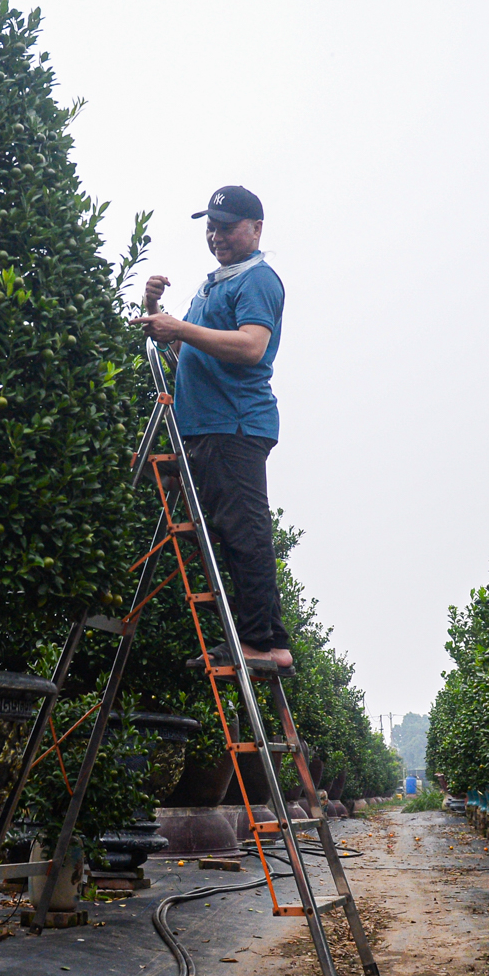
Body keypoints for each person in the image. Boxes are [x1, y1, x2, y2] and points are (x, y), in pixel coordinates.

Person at [131, 185, 292, 670]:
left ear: (256, 229)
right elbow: (189, 354)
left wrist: (178, 327)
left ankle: (261, 642)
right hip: (205, 425)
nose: (216, 235)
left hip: (234, 424)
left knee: (245, 533)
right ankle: (267, 640)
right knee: (232, 532)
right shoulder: (214, 286)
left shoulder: (257, 279)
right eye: (211, 227)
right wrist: (157, 314)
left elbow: (251, 347)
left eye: (226, 227)